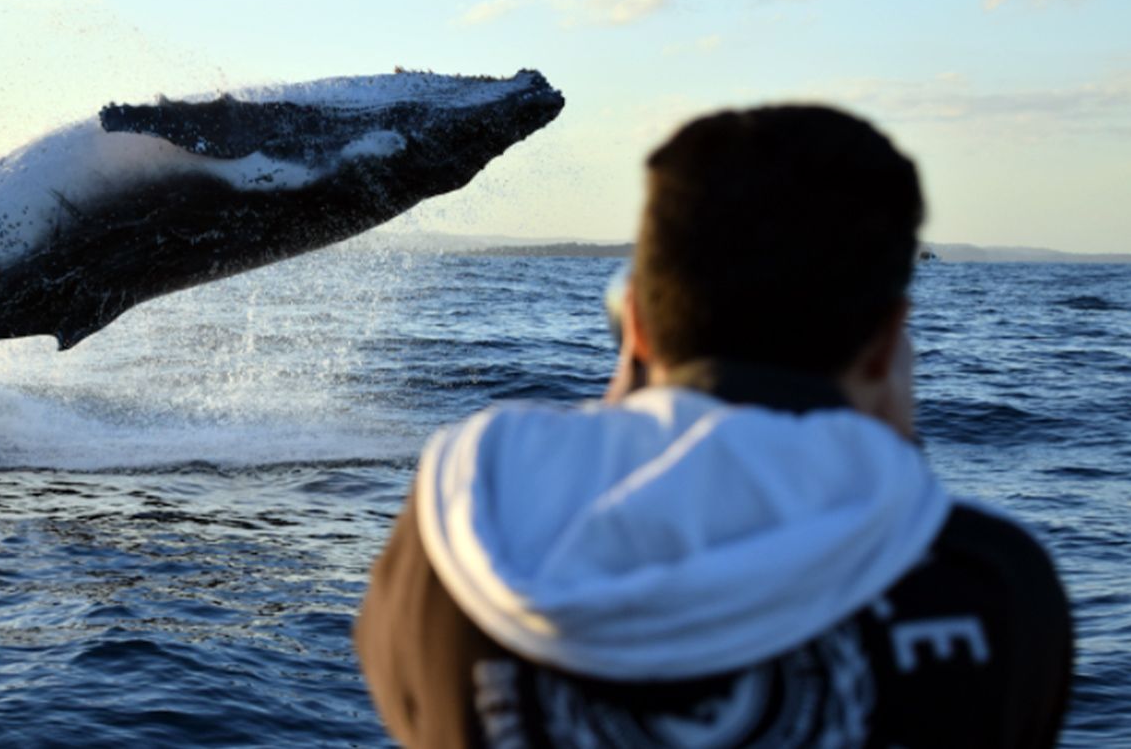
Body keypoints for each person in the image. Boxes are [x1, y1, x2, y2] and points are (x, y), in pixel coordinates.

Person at [354, 106, 1072, 747]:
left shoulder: (462, 532)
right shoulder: (992, 585)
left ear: (634, 322)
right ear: (888, 340)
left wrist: (628, 401)